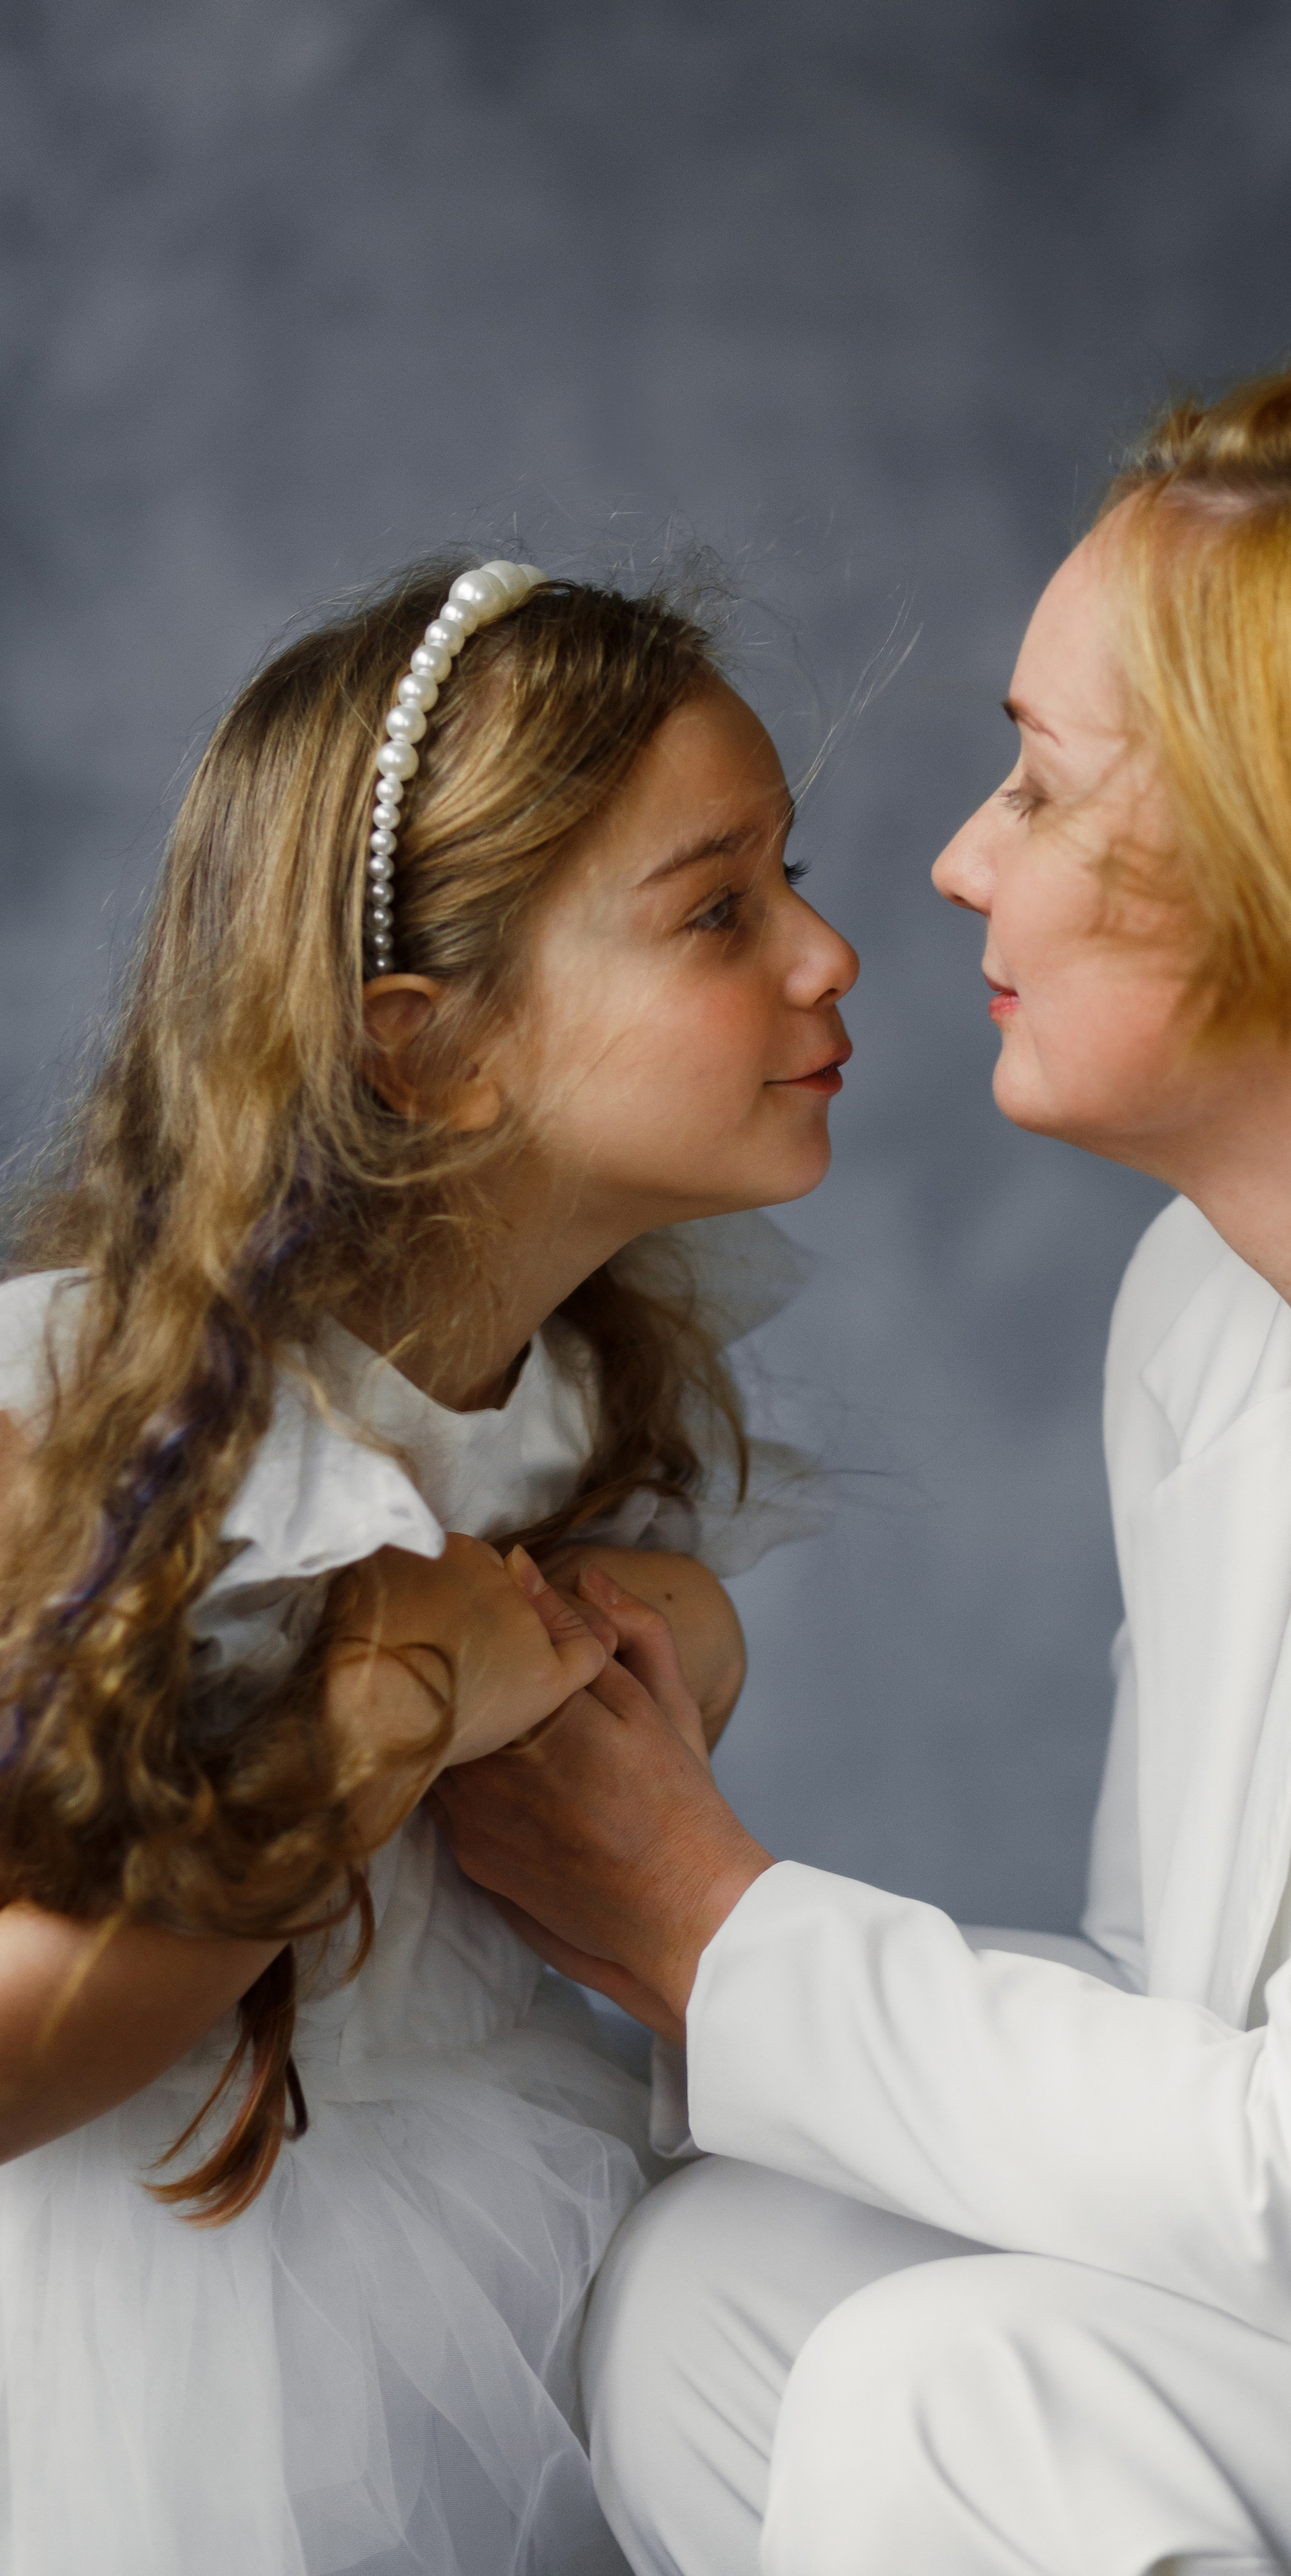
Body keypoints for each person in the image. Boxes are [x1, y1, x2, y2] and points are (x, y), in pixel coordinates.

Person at [437, 366, 1291, 2575]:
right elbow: (1190, 2018)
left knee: (966, 2404)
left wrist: (703, 1924)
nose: (955, 861)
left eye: (1042, 782)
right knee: (716, 2288)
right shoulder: (1205, 1314)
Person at [0, 557, 856, 2575]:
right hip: (162, 2358)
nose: (825, 953)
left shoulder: (567, 1400)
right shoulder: (80, 1425)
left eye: (789, 880)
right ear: (427, 1049)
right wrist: (385, 1710)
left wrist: (666, 1640)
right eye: (718, 910)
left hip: (515, 2253)